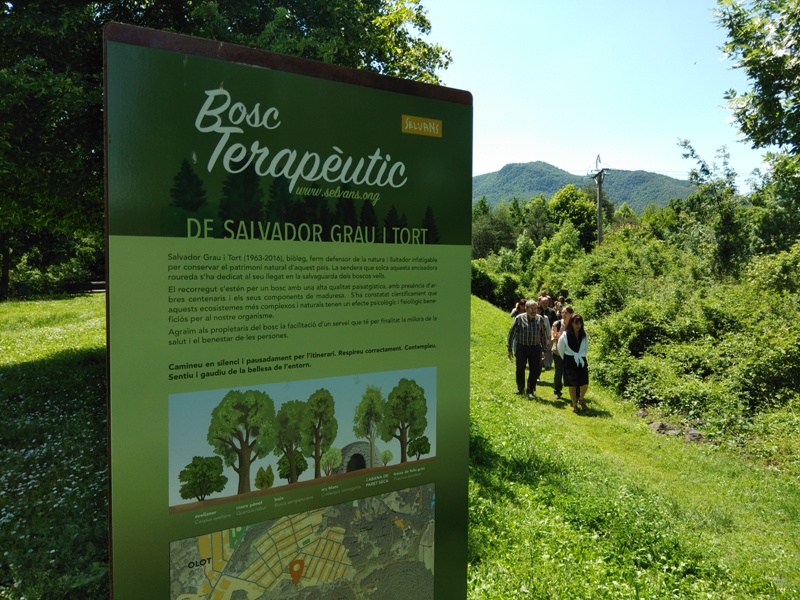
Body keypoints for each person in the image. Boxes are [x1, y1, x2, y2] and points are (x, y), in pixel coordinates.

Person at [507, 300, 548, 399]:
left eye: (536, 308)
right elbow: (511, 333)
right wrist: (509, 348)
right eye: (532, 309)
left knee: (534, 370)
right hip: (522, 347)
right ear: (526, 308)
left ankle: (530, 390)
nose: (534, 311)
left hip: (535, 348)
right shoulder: (519, 318)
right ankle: (520, 388)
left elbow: (543, 335)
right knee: (520, 368)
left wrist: (544, 349)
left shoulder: (540, 319)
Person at [557, 312, 588, 412]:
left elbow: (585, 348)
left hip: (581, 359)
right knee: (572, 384)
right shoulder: (565, 335)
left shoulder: (584, 335)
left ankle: (581, 399)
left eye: (580, 324)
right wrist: (567, 358)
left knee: (585, 383)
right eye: (576, 323)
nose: (578, 326)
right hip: (569, 360)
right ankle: (574, 404)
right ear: (572, 323)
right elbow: (560, 348)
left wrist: (581, 356)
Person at [551, 305, 574, 400]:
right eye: (562, 312)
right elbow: (552, 339)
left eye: (566, 313)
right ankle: (557, 391)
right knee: (558, 372)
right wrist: (556, 337)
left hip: (569, 353)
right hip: (557, 352)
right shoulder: (557, 324)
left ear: (571, 314)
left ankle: (573, 393)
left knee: (570, 373)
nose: (564, 314)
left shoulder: (574, 325)